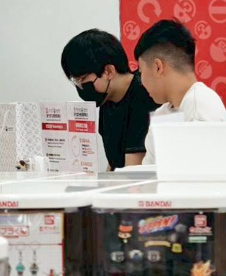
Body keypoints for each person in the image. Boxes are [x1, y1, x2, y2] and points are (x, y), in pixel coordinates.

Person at [134, 19, 226, 164]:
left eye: (141, 72)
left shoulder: (199, 106)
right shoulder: (162, 114)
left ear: (158, 67)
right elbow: (149, 171)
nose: (141, 82)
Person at [61, 29, 158, 170]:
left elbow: (133, 170)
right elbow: (113, 162)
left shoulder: (143, 97)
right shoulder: (107, 98)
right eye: (77, 82)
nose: (81, 88)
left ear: (108, 71)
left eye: (83, 80)